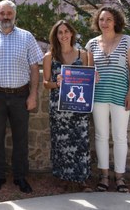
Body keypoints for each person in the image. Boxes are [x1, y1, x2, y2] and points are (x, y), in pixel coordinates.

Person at [0, 0, 43, 194]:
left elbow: (34, 67)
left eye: (9, 13)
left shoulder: (27, 37)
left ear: (15, 14)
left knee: (21, 139)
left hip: (21, 95)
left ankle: (20, 177)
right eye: (2, 13)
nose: (6, 16)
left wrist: (33, 95)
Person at [85, 6, 130, 193]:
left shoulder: (126, 41)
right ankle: (105, 176)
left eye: (108, 19)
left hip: (120, 94)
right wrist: (93, 75)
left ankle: (120, 177)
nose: (104, 23)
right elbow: (89, 71)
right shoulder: (91, 44)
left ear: (115, 21)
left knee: (120, 136)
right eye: (101, 20)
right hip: (98, 96)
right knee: (100, 135)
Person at [42, 20, 91, 192]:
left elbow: (89, 77)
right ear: (56, 36)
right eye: (60, 32)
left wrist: (94, 78)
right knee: (61, 142)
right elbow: (45, 83)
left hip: (79, 105)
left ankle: (82, 179)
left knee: (81, 141)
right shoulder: (49, 56)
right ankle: (63, 179)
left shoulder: (83, 54)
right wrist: (56, 83)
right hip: (59, 106)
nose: (63, 35)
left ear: (72, 33)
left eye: (66, 31)